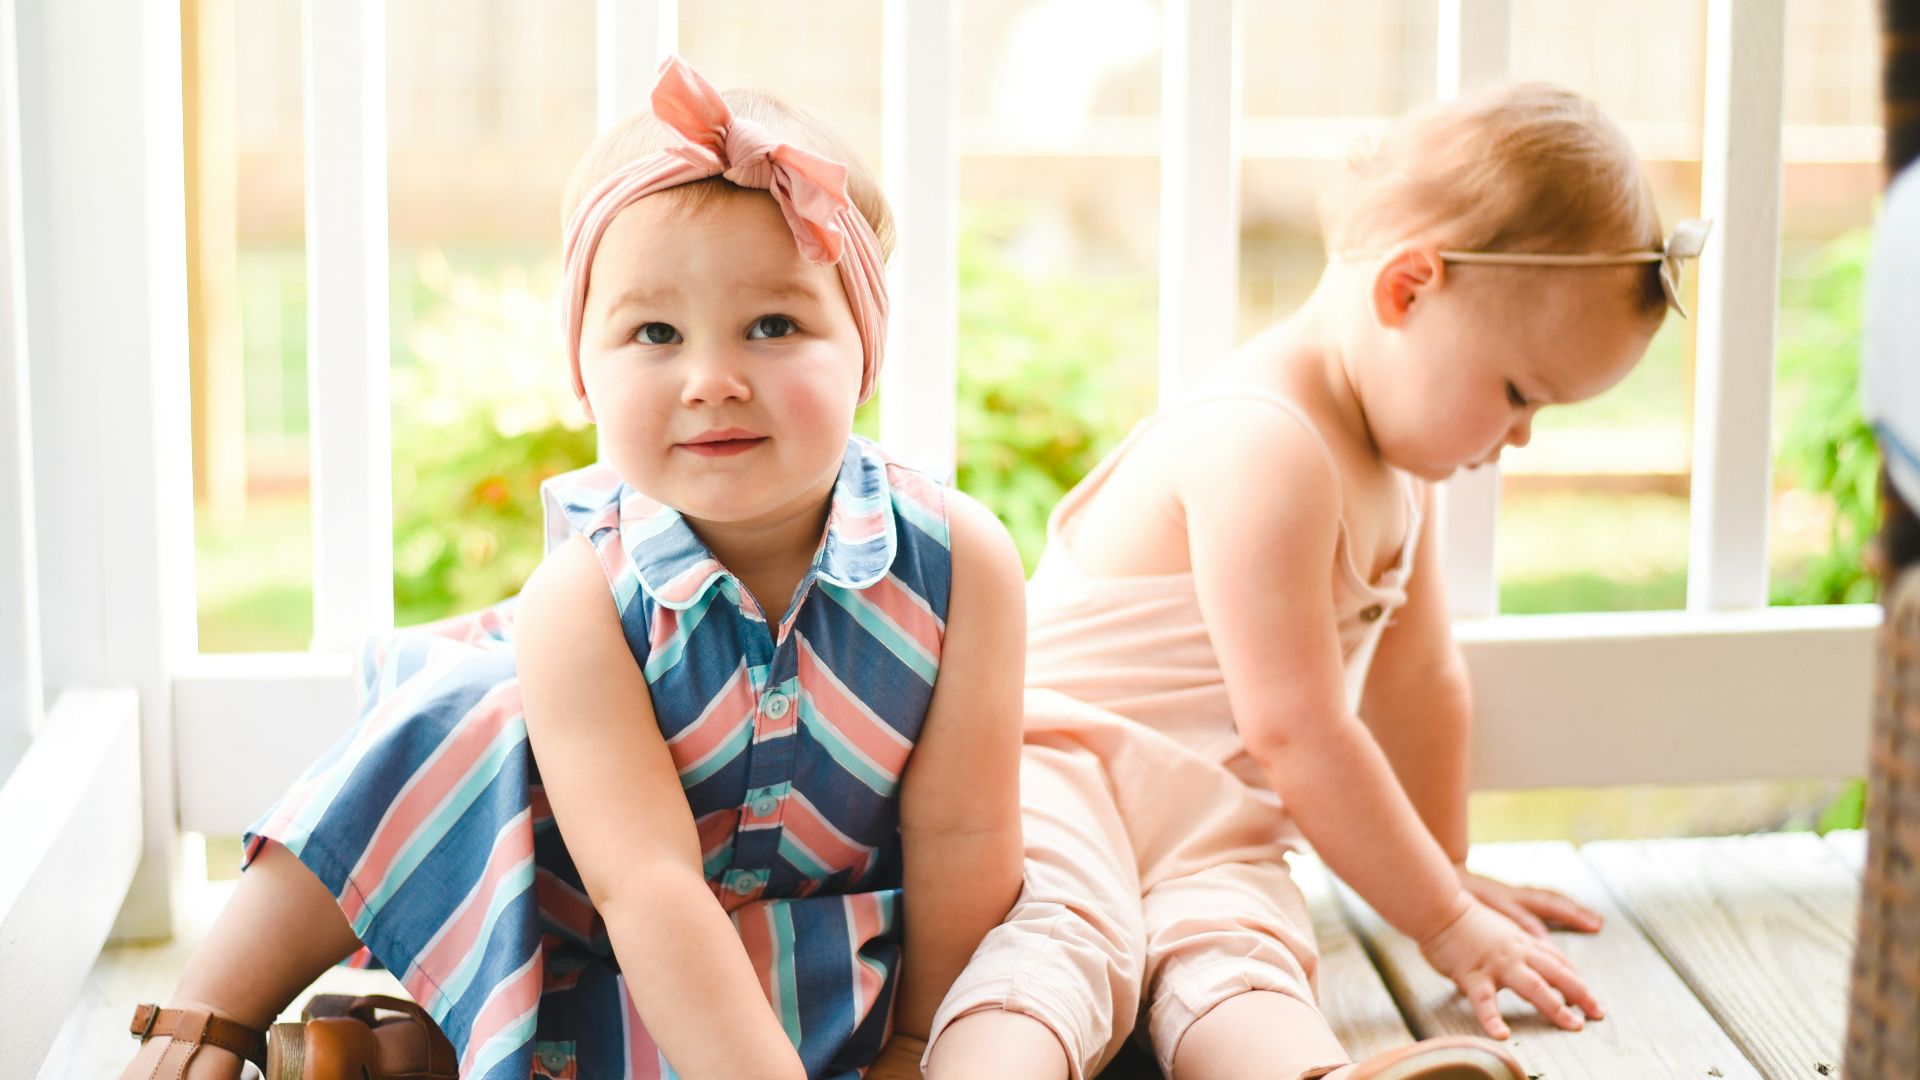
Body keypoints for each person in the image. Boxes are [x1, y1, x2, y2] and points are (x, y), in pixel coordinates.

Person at [121, 56, 1026, 1080]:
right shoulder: (587, 594)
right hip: (591, 901)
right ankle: (214, 1008)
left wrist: (922, 1040)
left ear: (866, 348)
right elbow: (647, 885)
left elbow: (964, 836)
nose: (713, 379)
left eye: (774, 326)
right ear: (584, 372)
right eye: (655, 333)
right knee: (461, 718)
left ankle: (409, 1050)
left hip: (803, 943)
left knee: (775, 1016)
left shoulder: (955, 564)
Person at [920, 83, 1709, 1080]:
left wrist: (1445, 871)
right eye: (1518, 394)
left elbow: (1419, 682)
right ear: (1407, 289)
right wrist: (1446, 922)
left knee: (1241, 957)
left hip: (1213, 823)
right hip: (1062, 777)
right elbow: (1297, 728)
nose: (1519, 439)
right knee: (1061, 941)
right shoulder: (1267, 443)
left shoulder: (1400, 473)